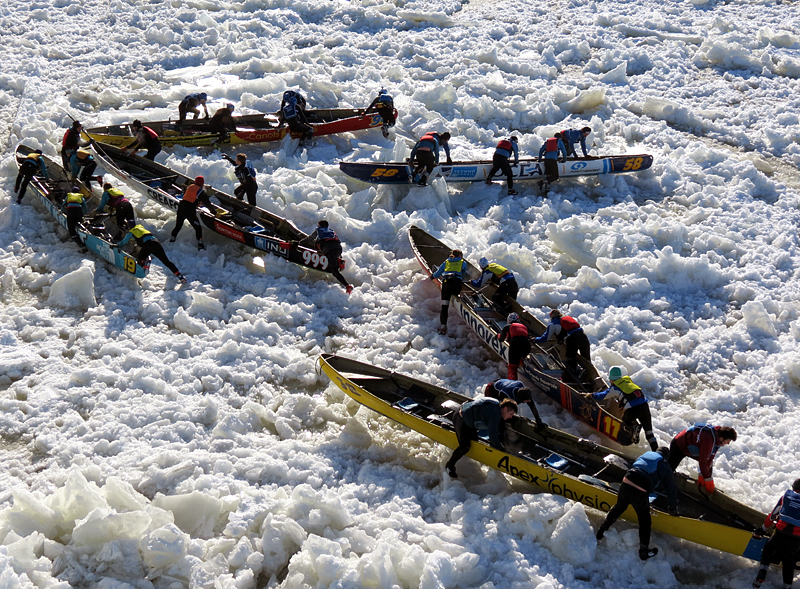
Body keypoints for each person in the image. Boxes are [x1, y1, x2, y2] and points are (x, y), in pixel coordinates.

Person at [595, 447, 679, 561]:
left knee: (618, 508)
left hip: (626, 482)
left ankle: (601, 531)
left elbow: (635, 466)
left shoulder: (647, 454)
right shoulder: (664, 464)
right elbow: (671, 488)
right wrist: (672, 509)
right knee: (645, 521)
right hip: (640, 491)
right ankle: (644, 551)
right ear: (666, 457)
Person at [444, 397, 517, 479]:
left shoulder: (498, 407)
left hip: (469, 420)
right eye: (511, 414)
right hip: (460, 419)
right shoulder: (495, 414)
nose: (511, 417)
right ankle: (450, 465)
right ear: (505, 409)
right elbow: (492, 434)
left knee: (474, 442)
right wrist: (501, 449)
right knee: (465, 446)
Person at [592, 366, 658, 451]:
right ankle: (657, 453)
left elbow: (601, 396)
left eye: (610, 379)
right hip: (645, 407)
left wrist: (591, 395)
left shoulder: (615, 387)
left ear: (611, 379)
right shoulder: (628, 382)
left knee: (624, 419)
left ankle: (634, 426)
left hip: (633, 410)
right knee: (649, 433)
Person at [752, 478, 800, 589]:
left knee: (768, 550)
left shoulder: (786, 497)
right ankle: (787, 586)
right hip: (796, 540)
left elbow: (772, 516)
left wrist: (762, 529)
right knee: (788, 563)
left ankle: (762, 572)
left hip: (779, 534)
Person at [668, 423, 737, 494]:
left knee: (709, 466)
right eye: (728, 441)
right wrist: (708, 479)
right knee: (669, 470)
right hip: (679, 446)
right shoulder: (708, 439)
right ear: (722, 438)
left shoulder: (717, 439)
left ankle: (703, 487)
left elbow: (710, 458)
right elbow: (703, 461)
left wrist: (703, 475)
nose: (728, 443)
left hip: (692, 448)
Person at [114, 221, 186, 283]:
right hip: (156, 243)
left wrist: (117, 245)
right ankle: (180, 276)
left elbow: (123, 242)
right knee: (166, 262)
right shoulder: (140, 227)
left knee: (140, 258)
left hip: (148, 244)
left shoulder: (131, 233)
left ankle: (145, 265)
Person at [534, 309, 591, 382]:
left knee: (570, 359)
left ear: (551, 317)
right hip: (583, 337)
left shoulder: (553, 324)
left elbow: (545, 338)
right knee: (587, 360)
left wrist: (535, 339)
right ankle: (588, 375)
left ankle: (575, 375)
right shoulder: (565, 320)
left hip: (573, 339)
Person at [296, 220, 352, 294]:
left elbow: (310, 238)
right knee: (332, 255)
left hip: (330, 250)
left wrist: (299, 243)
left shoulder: (318, 230)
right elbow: (337, 242)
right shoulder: (331, 231)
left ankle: (347, 286)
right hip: (339, 249)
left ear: (319, 225)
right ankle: (338, 260)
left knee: (334, 272)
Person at [170, 176, 214, 250]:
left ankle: (171, 241)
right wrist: (214, 212)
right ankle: (200, 246)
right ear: (202, 183)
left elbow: (191, 197)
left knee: (178, 226)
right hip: (189, 210)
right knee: (198, 228)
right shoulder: (200, 191)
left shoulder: (190, 186)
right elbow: (207, 202)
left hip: (181, 207)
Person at [431, 249, 467, 335]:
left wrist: (431, 277)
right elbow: (463, 275)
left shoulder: (446, 262)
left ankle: (443, 327)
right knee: (457, 292)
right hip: (456, 285)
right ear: (460, 256)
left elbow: (437, 274)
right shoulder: (463, 263)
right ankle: (458, 298)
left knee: (444, 307)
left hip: (446, 285)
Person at [498, 313, 531, 380]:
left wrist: (498, 336)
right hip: (526, 344)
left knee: (512, 366)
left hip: (515, 344)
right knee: (521, 355)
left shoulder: (507, 326)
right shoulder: (523, 326)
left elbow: (501, 339)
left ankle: (512, 382)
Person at [61, 186, 88, 251]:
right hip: (78, 211)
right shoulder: (80, 197)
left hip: (70, 211)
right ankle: (83, 231)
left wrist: (61, 211)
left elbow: (63, 204)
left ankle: (79, 243)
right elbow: (84, 206)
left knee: (71, 228)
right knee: (79, 222)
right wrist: (84, 214)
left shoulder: (69, 196)